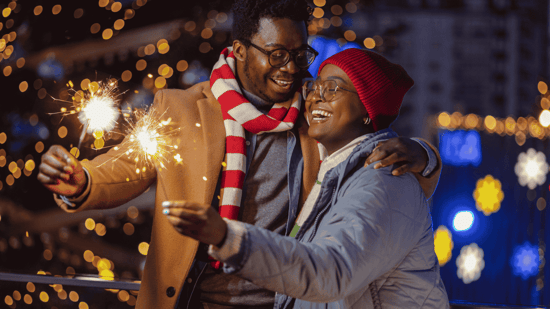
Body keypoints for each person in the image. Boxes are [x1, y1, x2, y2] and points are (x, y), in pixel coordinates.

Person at [37, 1, 442, 308]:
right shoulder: (181, 109)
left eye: (301, 55)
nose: (291, 68)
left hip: (282, 300)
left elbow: (371, 159)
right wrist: (82, 180)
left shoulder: (316, 115)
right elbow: (130, 163)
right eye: (277, 54)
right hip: (191, 299)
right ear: (240, 50)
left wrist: (424, 154)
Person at [163, 48, 449, 308]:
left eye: (333, 88)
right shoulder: (336, 174)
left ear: (367, 109)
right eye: (315, 86)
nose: (315, 97)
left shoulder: (381, 180)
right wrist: (427, 156)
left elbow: (329, 272)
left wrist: (228, 237)